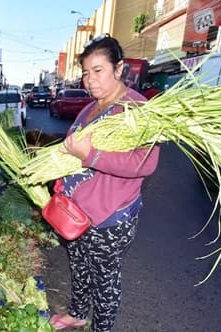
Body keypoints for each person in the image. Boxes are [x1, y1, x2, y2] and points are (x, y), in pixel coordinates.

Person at [49, 34, 160, 332]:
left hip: (109, 218)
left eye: (98, 70)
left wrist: (90, 155)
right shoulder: (91, 108)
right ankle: (77, 314)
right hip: (75, 214)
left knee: (105, 280)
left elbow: (145, 163)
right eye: (86, 72)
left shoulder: (136, 109)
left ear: (119, 68)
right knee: (80, 267)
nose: (90, 80)